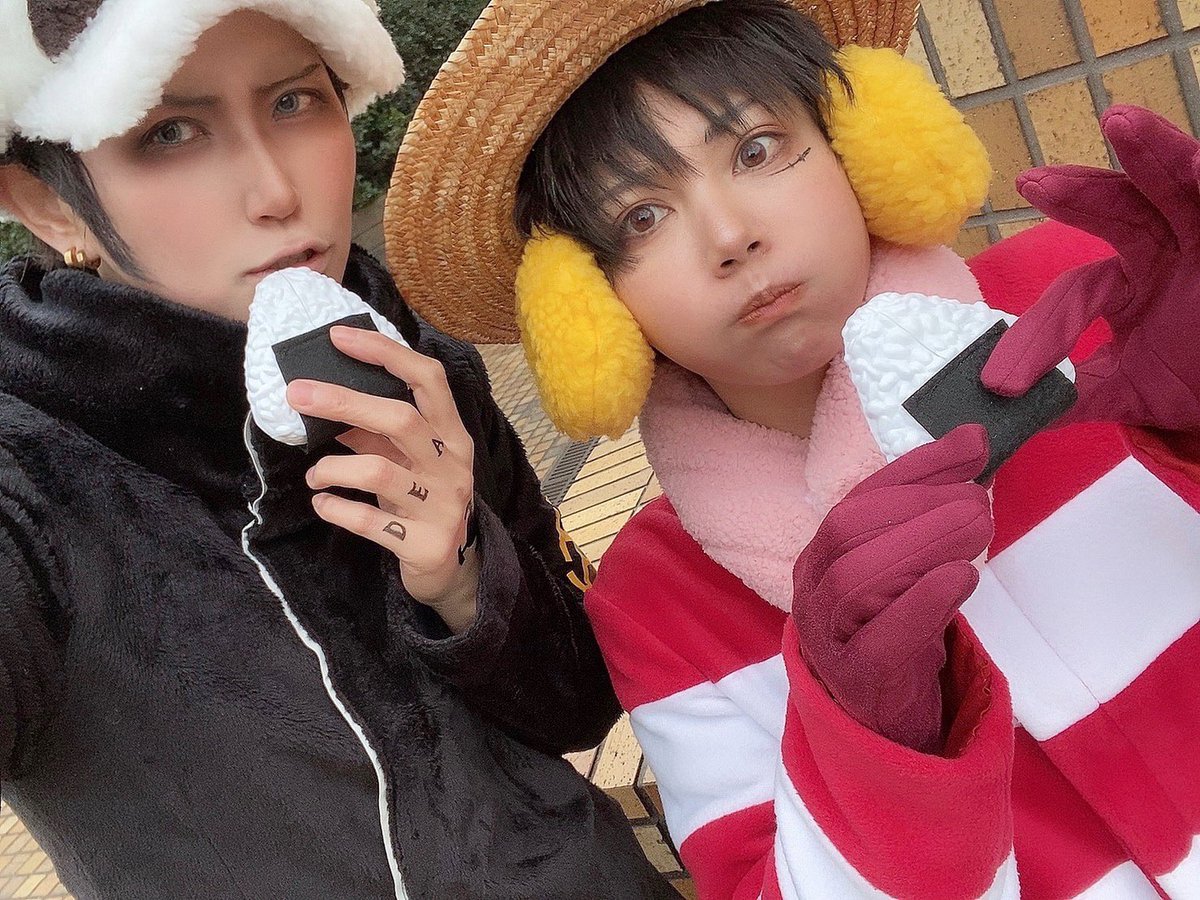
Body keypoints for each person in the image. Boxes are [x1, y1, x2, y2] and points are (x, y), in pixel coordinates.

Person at [386, 0, 1200, 896]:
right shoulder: (656, 609)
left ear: (858, 142)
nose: (731, 236)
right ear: (586, 306)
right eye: (641, 217)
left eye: (757, 149)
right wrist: (867, 741)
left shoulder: (1100, 302)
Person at [0, 2, 680, 897]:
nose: (276, 191)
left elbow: (583, 705)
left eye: (294, 102)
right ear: (51, 205)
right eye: (170, 133)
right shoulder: (35, 470)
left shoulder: (424, 366)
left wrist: (465, 579)